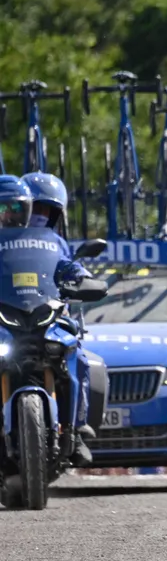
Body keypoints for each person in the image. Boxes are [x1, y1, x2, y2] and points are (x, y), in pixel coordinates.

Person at [0, 175, 97, 466]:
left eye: (16, 207)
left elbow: (67, 266)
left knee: (77, 354)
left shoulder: (51, 243)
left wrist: (81, 277)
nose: (9, 214)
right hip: (5, 323)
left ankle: (76, 429)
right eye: (3, 208)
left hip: (45, 318)